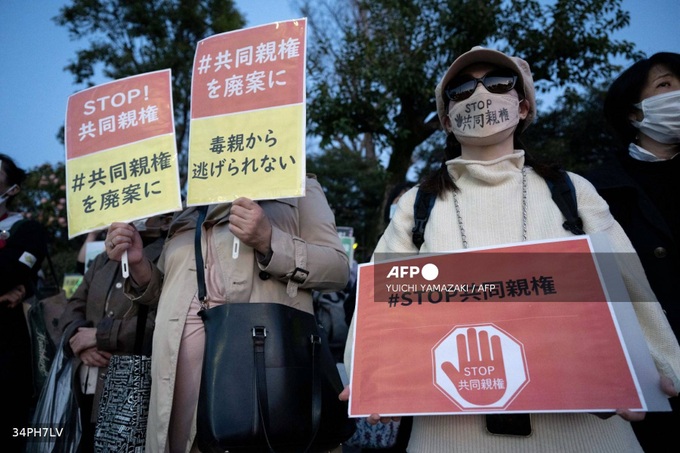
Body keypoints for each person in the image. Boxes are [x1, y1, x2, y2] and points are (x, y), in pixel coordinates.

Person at [342, 46, 680, 452]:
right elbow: (382, 297)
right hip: (450, 433)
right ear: (447, 120)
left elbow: (631, 287)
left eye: (498, 83)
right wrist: (370, 378)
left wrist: (659, 367)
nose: (481, 93)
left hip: (588, 430)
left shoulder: (571, 190)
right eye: (462, 88)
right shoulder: (417, 205)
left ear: (522, 107)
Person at [105, 174, 350, 453]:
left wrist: (270, 241)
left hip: (261, 380)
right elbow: (167, 293)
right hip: (176, 378)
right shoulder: (192, 198)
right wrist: (137, 264)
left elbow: (338, 269)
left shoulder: (298, 184)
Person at [586, 52, 680, 451]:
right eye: (666, 86)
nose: (678, 93)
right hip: (656, 383)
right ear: (635, 115)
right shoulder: (594, 193)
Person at [59, 214, 171, 452]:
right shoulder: (103, 259)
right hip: (85, 383)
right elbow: (74, 305)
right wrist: (80, 341)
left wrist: (101, 336)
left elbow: (165, 319)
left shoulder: (169, 253)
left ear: (166, 218)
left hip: (132, 390)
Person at [0, 154, 48, 452]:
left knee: (12, 425)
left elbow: (10, 271)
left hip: (9, 347)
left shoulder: (28, 230)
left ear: (12, 188)